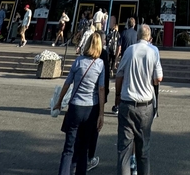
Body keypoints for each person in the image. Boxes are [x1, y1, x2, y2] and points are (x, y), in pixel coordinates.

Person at [54, 32, 105, 175]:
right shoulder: (100, 64)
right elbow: (101, 89)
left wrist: (59, 101)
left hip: (75, 106)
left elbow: (67, 83)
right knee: (84, 147)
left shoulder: (78, 61)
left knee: (68, 148)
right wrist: (101, 113)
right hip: (91, 107)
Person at [114, 24, 163, 175]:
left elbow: (119, 75)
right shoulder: (153, 51)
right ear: (149, 37)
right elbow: (158, 78)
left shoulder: (129, 50)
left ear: (138, 36)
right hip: (145, 106)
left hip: (127, 102)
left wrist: (117, 95)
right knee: (143, 151)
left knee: (124, 151)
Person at [111, 18, 137, 112]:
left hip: (124, 59)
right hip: (134, 61)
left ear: (127, 24)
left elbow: (119, 47)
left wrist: (116, 60)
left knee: (120, 81)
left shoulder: (123, 33)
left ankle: (117, 105)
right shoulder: (136, 34)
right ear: (134, 24)